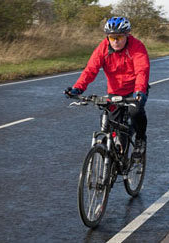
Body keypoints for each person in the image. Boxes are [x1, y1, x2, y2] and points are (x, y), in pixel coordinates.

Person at [64, 17, 150, 158]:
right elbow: (91, 70)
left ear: (127, 35)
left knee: (135, 112)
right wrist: (78, 88)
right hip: (115, 91)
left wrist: (140, 90)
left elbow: (142, 70)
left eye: (119, 37)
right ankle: (111, 163)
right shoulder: (103, 48)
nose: (115, 41)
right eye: (112, 37)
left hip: (134, 91)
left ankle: (140, 140)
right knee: (112, 127)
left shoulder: (137, 47)